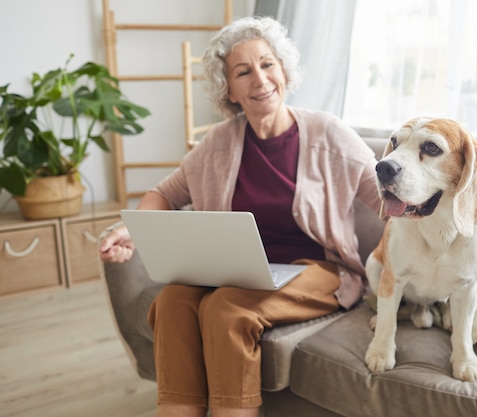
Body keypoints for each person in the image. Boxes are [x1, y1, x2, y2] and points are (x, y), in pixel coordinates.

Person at [99, 16, 380, 417]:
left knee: (227, 309)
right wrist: (130, 230)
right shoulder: (219, 143)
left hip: (318, 269)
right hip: (240, 272)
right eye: (243, 72)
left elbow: (388, 197)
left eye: (268, 64)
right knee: (174, 301)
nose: (260, 79)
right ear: (228, 89)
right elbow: (164, 193)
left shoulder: (328, 133)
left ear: (283, 70)